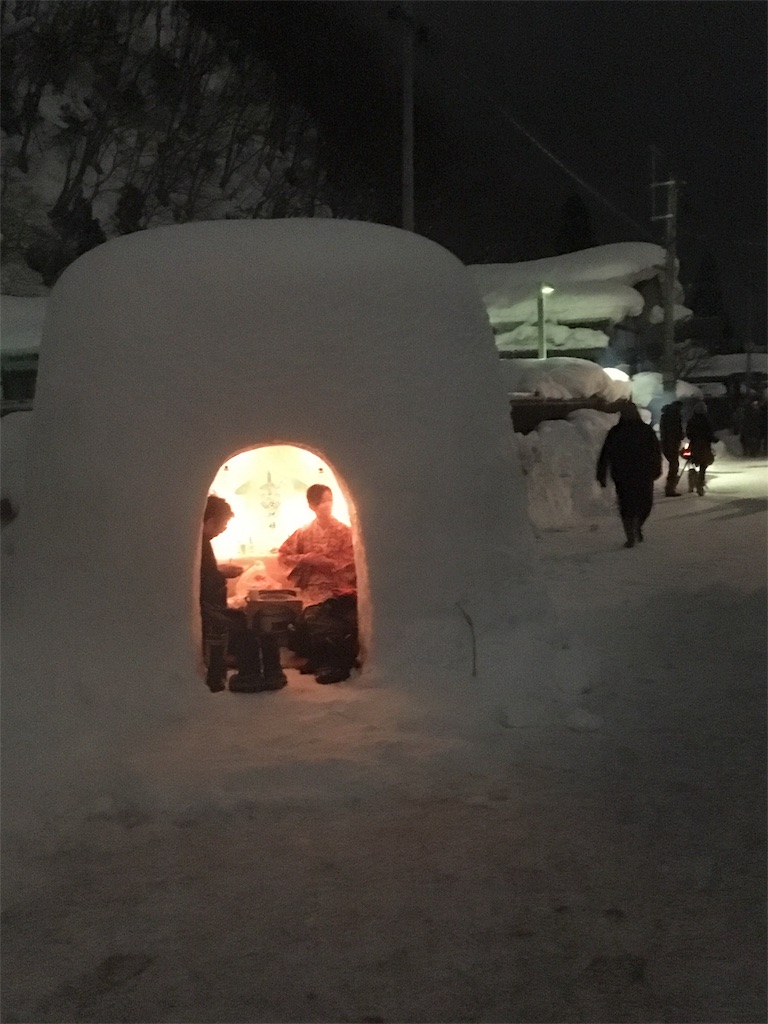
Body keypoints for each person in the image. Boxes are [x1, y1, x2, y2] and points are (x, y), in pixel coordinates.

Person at [200, 494, 286, 693]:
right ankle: (252, 674)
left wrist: (220, 571)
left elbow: (206, 574)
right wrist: (222, 573)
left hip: (213, 606)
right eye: (224, 524)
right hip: (208, 609)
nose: (224, 529)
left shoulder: (203, 543)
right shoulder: (200, 543)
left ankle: (268, 671)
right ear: (211, 521)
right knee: (241, 627)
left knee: (244, 620)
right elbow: (204, 580)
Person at [278, 484, 358, 684]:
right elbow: (284, 555)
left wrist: (332, 564)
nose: (328, 505)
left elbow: (354, 559)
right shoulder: (303, 532)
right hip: (312, 588)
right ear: (312, 505)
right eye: (323, 501)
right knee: (311, 617)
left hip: (337, 587)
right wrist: (306, 558)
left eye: (330, 500)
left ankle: (331, 660)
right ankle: (322, 659)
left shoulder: (344, 531)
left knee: (336, 617)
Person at [596, 402, 663, 548]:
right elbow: (606, 454)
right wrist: (601, 473)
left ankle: (636, 526)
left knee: (645, 504)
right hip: (625, 474)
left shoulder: (645, 431)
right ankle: (631, 536)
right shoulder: (616, 432)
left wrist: (656, 468)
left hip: (641, 473)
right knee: (628, 505)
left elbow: (655, 451)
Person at [685, 401, 717, 496]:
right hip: (705, 445)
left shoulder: (691, 420)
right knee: (704, 464)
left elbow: (689, 433)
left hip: (695, 445)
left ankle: (693, 482)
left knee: (694, 462)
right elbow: (710, 433)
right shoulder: (706, 420)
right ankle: (700, 483)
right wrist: (714, 439)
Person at [659, 399, 684, 496]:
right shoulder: (674, 417)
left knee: (673, 465)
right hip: (671, 444)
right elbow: (673, 431)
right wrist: (679, 436)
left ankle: (670, 487)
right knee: (674, 466)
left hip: (666, 443)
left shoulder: (665, 416)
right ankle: (670, 489)